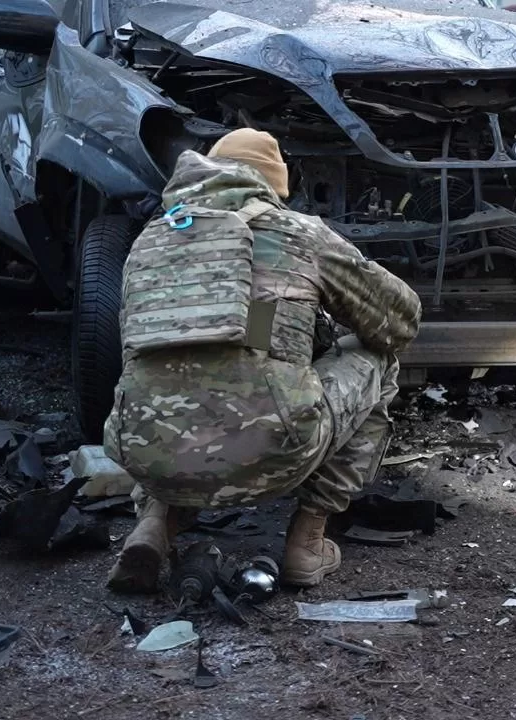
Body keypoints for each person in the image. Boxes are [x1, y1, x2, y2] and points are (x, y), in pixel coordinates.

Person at [104, 128, 422, 593]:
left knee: (168, 381)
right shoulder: (300, 233)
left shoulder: (151, 243)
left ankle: (153, 526)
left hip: (148, 455)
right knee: (379, 358)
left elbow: (139, 356)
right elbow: (401, 320)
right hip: (273, 455)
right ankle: (307, 542)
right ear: (274, 187)